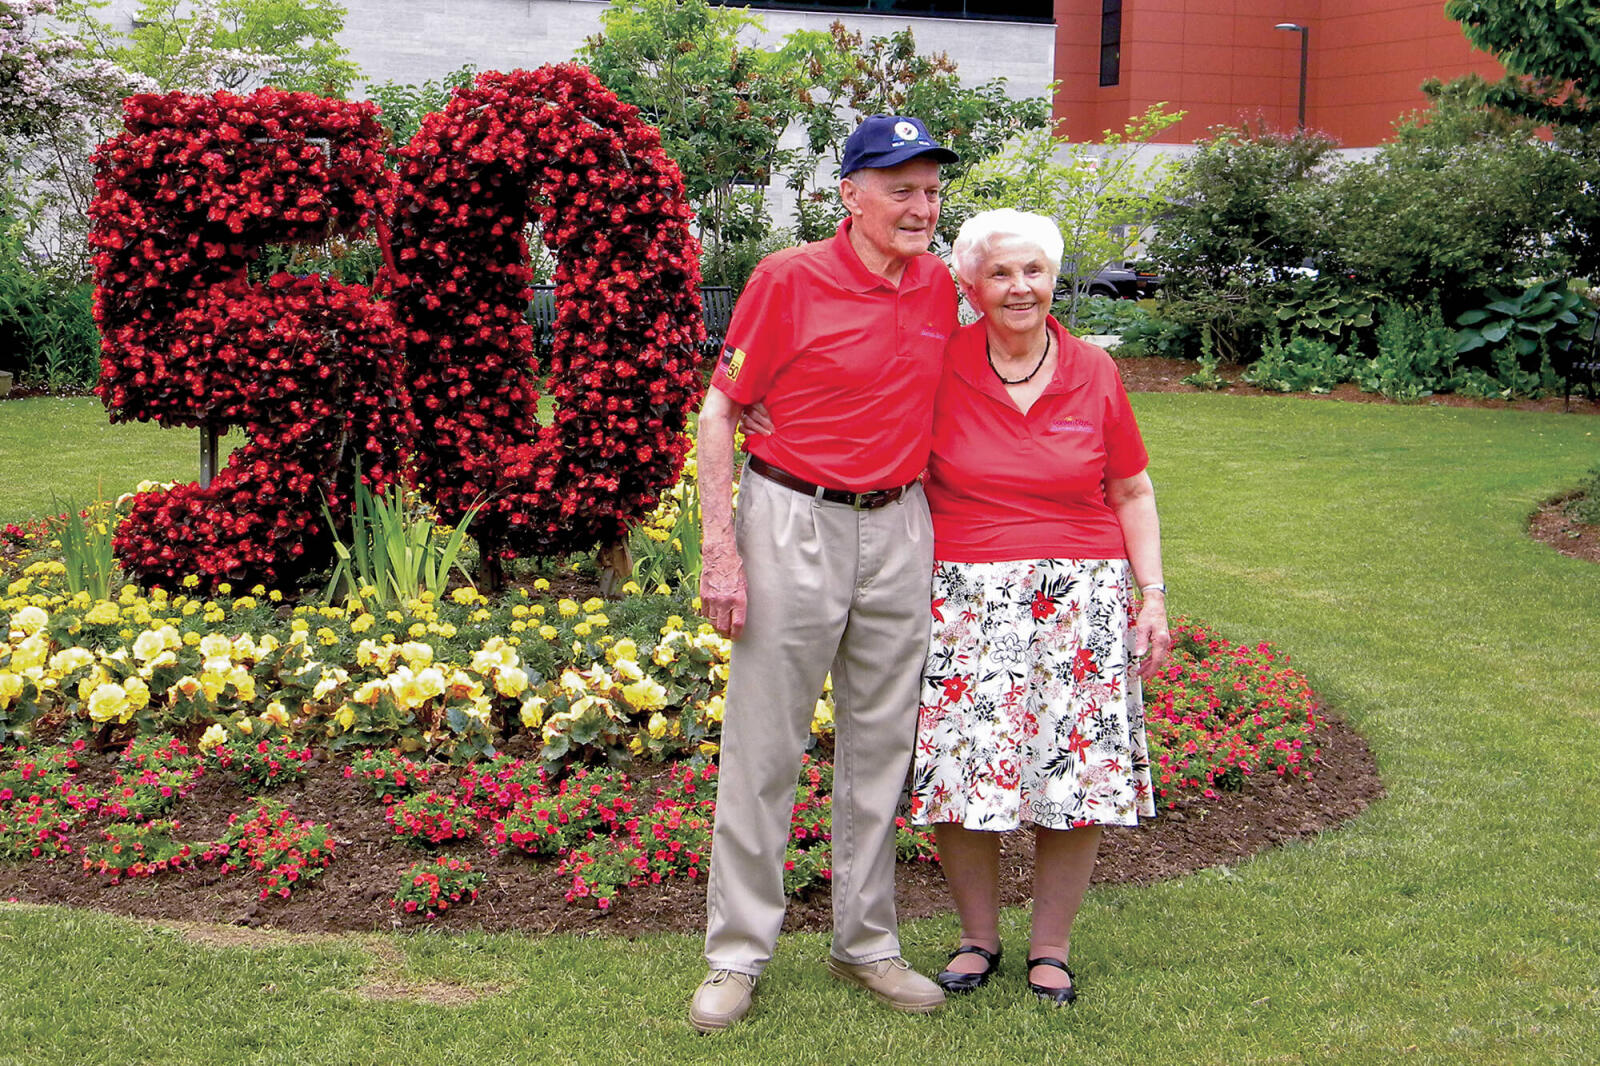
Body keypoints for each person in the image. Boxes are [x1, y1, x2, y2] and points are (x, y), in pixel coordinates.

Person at [688, 115, 961, 1033]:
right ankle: (736, 956)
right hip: (792, 520)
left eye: (930, 191)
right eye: (901, 189)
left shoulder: (938, 287)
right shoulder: (787, 278)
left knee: (882, 750)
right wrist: (721, 549)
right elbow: (722, 412)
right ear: (851, 195)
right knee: (766, 749)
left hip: (899, 524)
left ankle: (866, 944)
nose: (921, 208)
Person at [911, 208, 1171, 1005]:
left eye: (1034, 271)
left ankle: (1050, 946)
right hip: (965, 593)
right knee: (963, 771)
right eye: (1000, 273)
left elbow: (1130, 487)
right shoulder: (939, 361)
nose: (1019, 287)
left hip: (1081, 600)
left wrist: (1151, 593)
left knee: (1077, 776)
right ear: (970, 285)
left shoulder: (1095, 368)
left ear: (1053, 278)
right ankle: (978, 937)